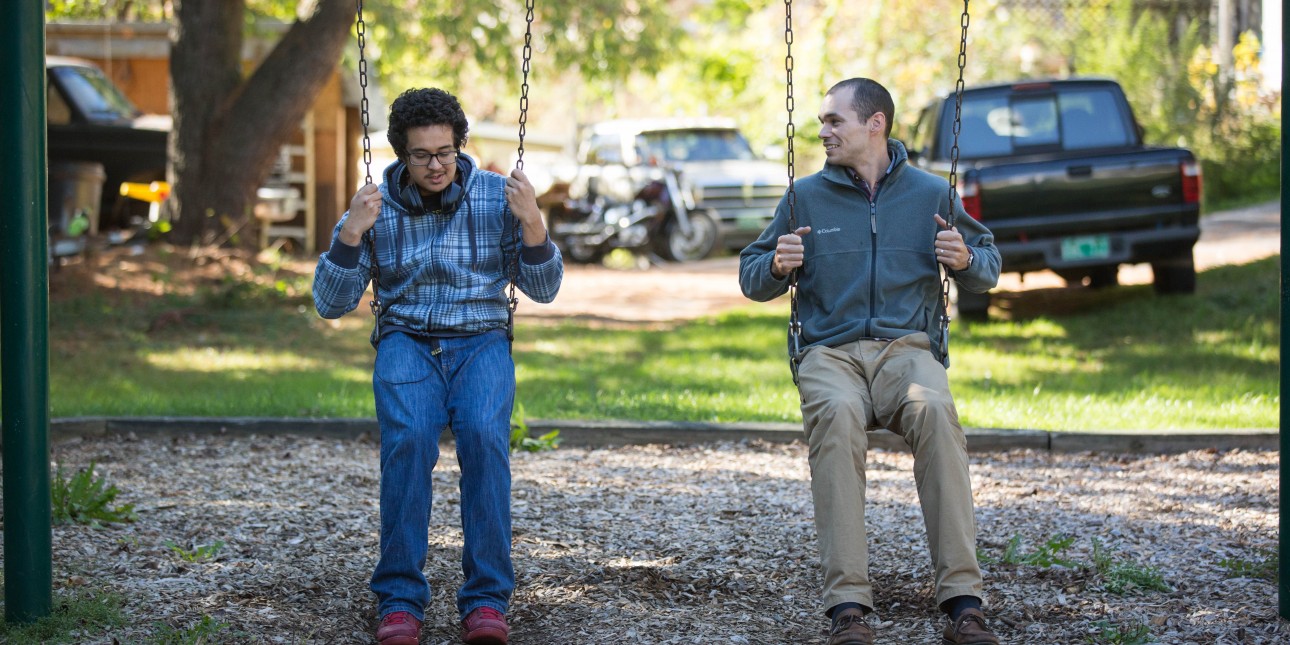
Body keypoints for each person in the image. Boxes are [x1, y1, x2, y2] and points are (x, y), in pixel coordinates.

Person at [738, 78, 1002, 645]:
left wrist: (965, 258)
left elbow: (988, 263)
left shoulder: (931, 192)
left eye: (835, 121)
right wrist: (778, 266)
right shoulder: (804, 196)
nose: (823, 130)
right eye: (822, 121)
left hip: (907, 350)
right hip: (828, 353)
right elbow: (751, 274)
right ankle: (848, 607)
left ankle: (963, 600)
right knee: (834, 415)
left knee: (935, 411)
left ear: (874, 123)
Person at [313, 88, 562, 645]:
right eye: (422, 155)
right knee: (409, 443)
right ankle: (400, 601)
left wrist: (533, 224)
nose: (436, 166)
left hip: (481, 339)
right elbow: (330, 303)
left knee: (483, 440)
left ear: (460, 147)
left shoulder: (500, 197)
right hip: (406, 338)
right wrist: (351, 233)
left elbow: (544, 289)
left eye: (445, 153)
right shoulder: (374, 207)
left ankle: (486, 600)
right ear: (401, 154)